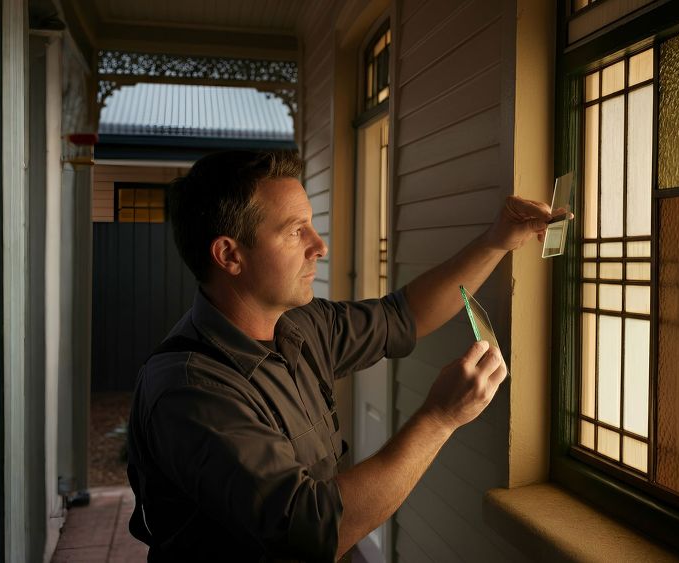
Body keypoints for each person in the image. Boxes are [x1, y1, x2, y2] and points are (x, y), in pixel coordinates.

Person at [126, 150, 553, 562]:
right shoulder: (191, 389)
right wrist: (439, 418)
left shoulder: (300, 325)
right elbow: (311, 530)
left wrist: (496, 241)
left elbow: (402, 315)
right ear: (230, 255)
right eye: (296, 231)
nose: (319, 246)